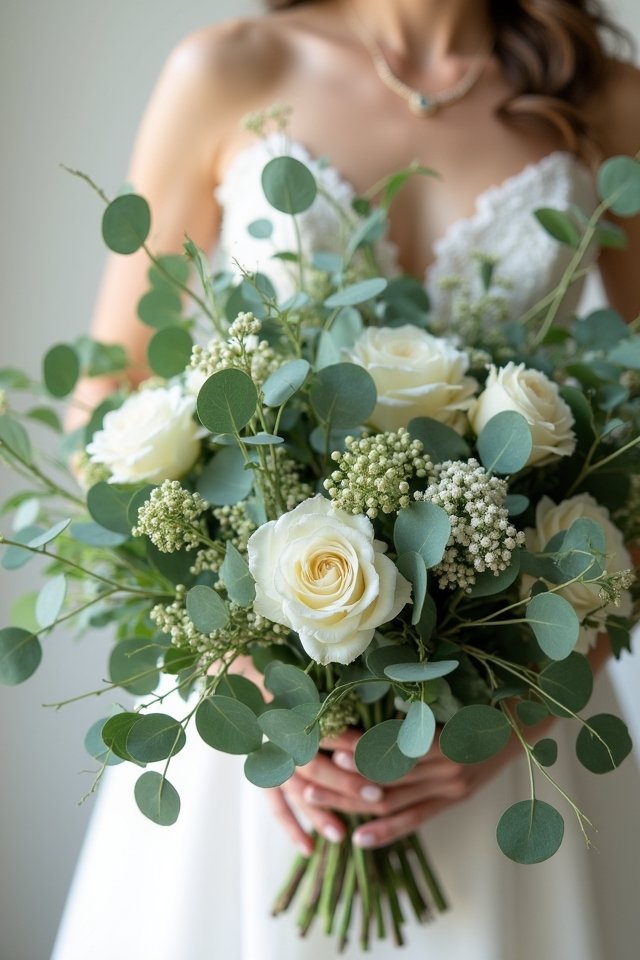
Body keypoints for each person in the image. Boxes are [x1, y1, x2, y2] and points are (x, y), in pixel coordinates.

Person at [53, 1, 640, 958]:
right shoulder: (231, 69)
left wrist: (524, 709)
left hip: (515, 723)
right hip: (258, 736)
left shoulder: (606, 99)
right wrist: (240, 665)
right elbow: (104, 395)